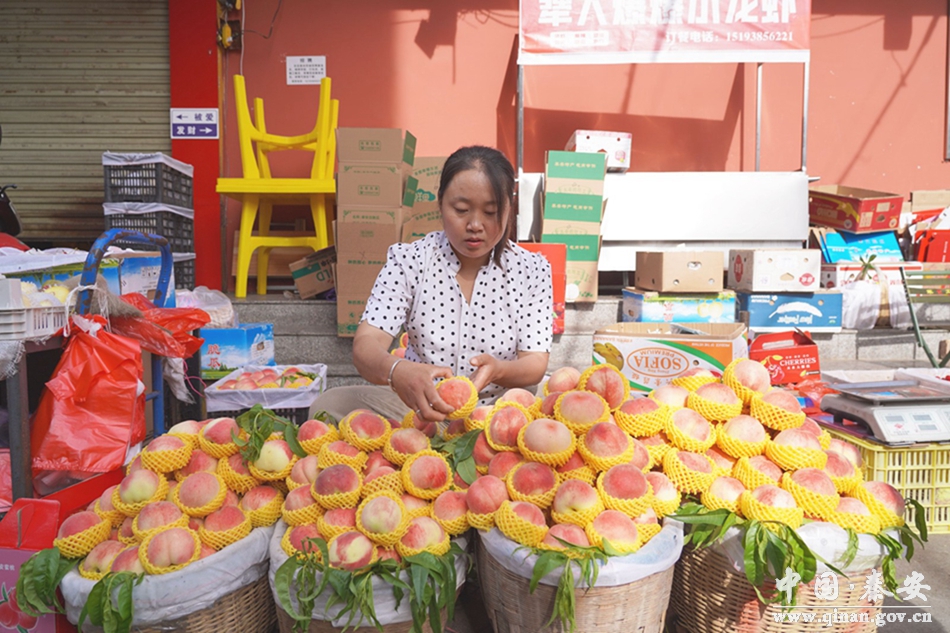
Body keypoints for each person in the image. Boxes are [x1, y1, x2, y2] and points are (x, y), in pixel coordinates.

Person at [309, 145, 553, 425]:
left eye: (491, 212)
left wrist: (498, 370)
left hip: (499, 414)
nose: (475, 224)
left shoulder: (532, 269)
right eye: (461, 210)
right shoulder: (410, 260)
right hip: (419, 408)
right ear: (440, 204)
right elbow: (367, 343)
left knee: (552, 416)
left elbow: (535, 362)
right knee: (329, 405)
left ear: (510, 208)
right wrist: (397, 370)